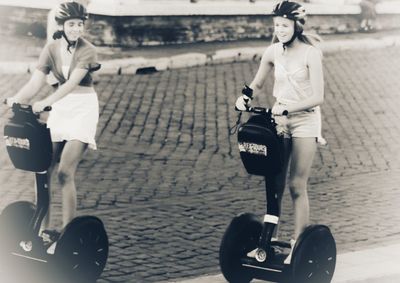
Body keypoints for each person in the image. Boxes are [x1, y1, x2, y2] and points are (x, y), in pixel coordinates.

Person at [235, 0, 324, 264]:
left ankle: (298, 246)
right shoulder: (273, 51)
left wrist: (289, 109)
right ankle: (266, 243)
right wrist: (245, 98)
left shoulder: (311, 54)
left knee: (297, 185)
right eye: (277, 25)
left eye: (284, 25)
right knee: (274, 186)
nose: (280, 30)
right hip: (279, 121)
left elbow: (318, 97)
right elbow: (258, 83)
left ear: (297, 26)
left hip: (305, 121)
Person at [6, 1, 100, 250]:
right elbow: (36, 82)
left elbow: (70, 84)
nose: (76, 29)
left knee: (65, 172)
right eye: (71, 24)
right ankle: (41, 231)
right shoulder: (50, 49)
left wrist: (46, 102)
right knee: (43, 171)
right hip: (61, 110)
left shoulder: (88, 50)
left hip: (82, 109)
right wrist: (18, 98)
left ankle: (69, 237)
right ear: (61, 26)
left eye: (80, 25)